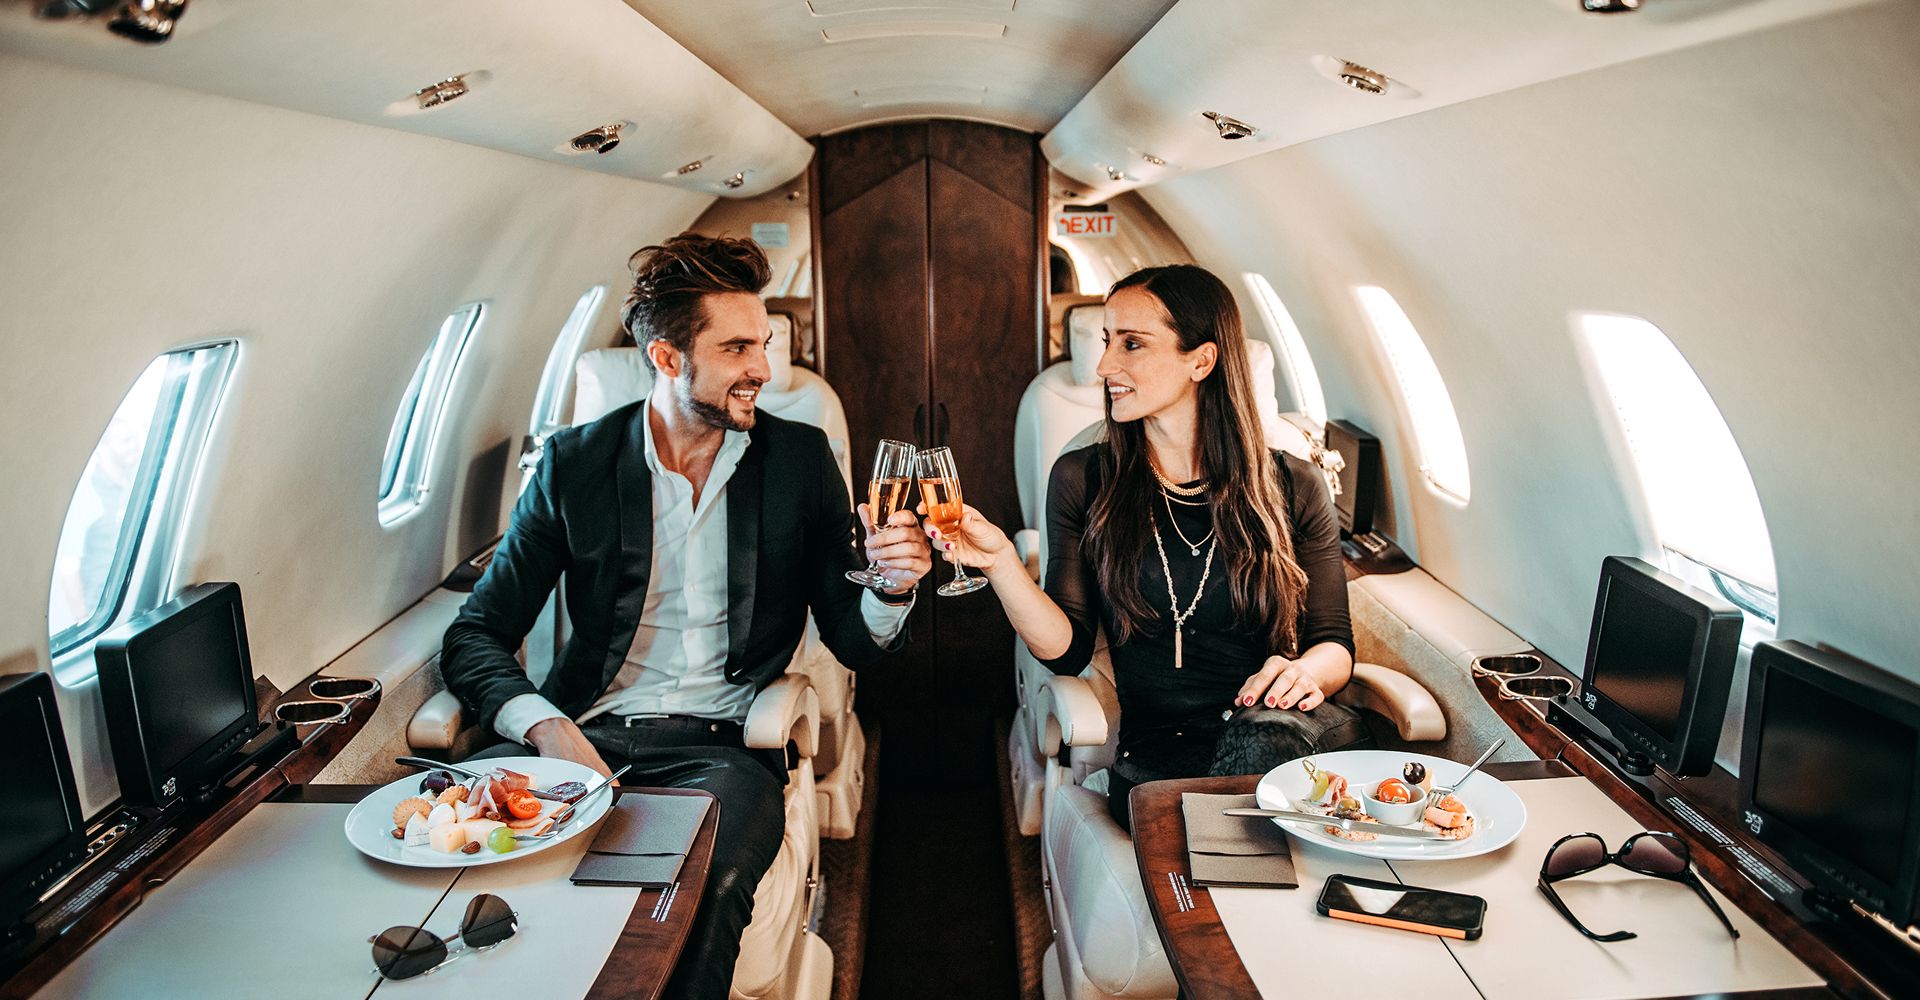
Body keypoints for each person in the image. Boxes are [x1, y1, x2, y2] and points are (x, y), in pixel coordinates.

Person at [441, 233, 932, 1000]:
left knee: (702, 886)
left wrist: (891, 589)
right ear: (669, 358)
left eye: (763, 344)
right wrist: (546, 727)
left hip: (721, 751)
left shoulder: (799, 460)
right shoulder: (573, 465)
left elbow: (849, 636)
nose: (763, 370)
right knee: (471, 879)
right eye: (738, 348)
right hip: (585, 734)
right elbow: (475, 634)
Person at [929, 264, 1363, 830]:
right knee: (1186, 815)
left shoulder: (1294, 484)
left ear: (1201, 361)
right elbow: (1067, 651)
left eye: (1132, 344)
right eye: (1108, 342)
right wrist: (1001, 564)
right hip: (1158, 749)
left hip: (1282, 729)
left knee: (1260, 748)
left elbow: (1333, 643)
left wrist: (1307, 673)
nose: (1106, 365)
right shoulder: (1083, 479)